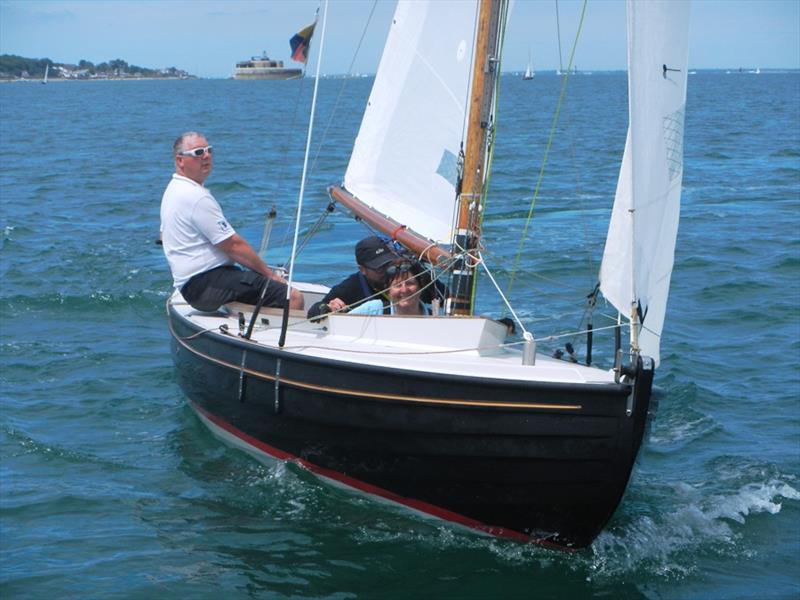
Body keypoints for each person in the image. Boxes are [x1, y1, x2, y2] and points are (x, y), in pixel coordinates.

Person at [160, 131, 304, 312]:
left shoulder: (174, 189)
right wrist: (270, 275)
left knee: (256, 284)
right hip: (205, 285)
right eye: (198, 152)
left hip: (196, 283)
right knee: (292, 297)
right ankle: (287, 339)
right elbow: (233, 245)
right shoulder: (195, 197)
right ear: (180, 160)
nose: (206, 156)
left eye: (208, 150)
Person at [306, 236, 399, 318]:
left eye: (389, 264)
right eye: (379, 268)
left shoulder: (402, 273)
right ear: (362, 269)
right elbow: (319, 308)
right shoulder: (351, 287)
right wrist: (326, 307)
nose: (387, 271)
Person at [349, 261, 432, 316]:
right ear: (388, 291)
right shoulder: (374, 309)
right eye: (397, 285)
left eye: (410, 283)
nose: (404, 290)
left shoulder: (438, 316)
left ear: (421, 287)